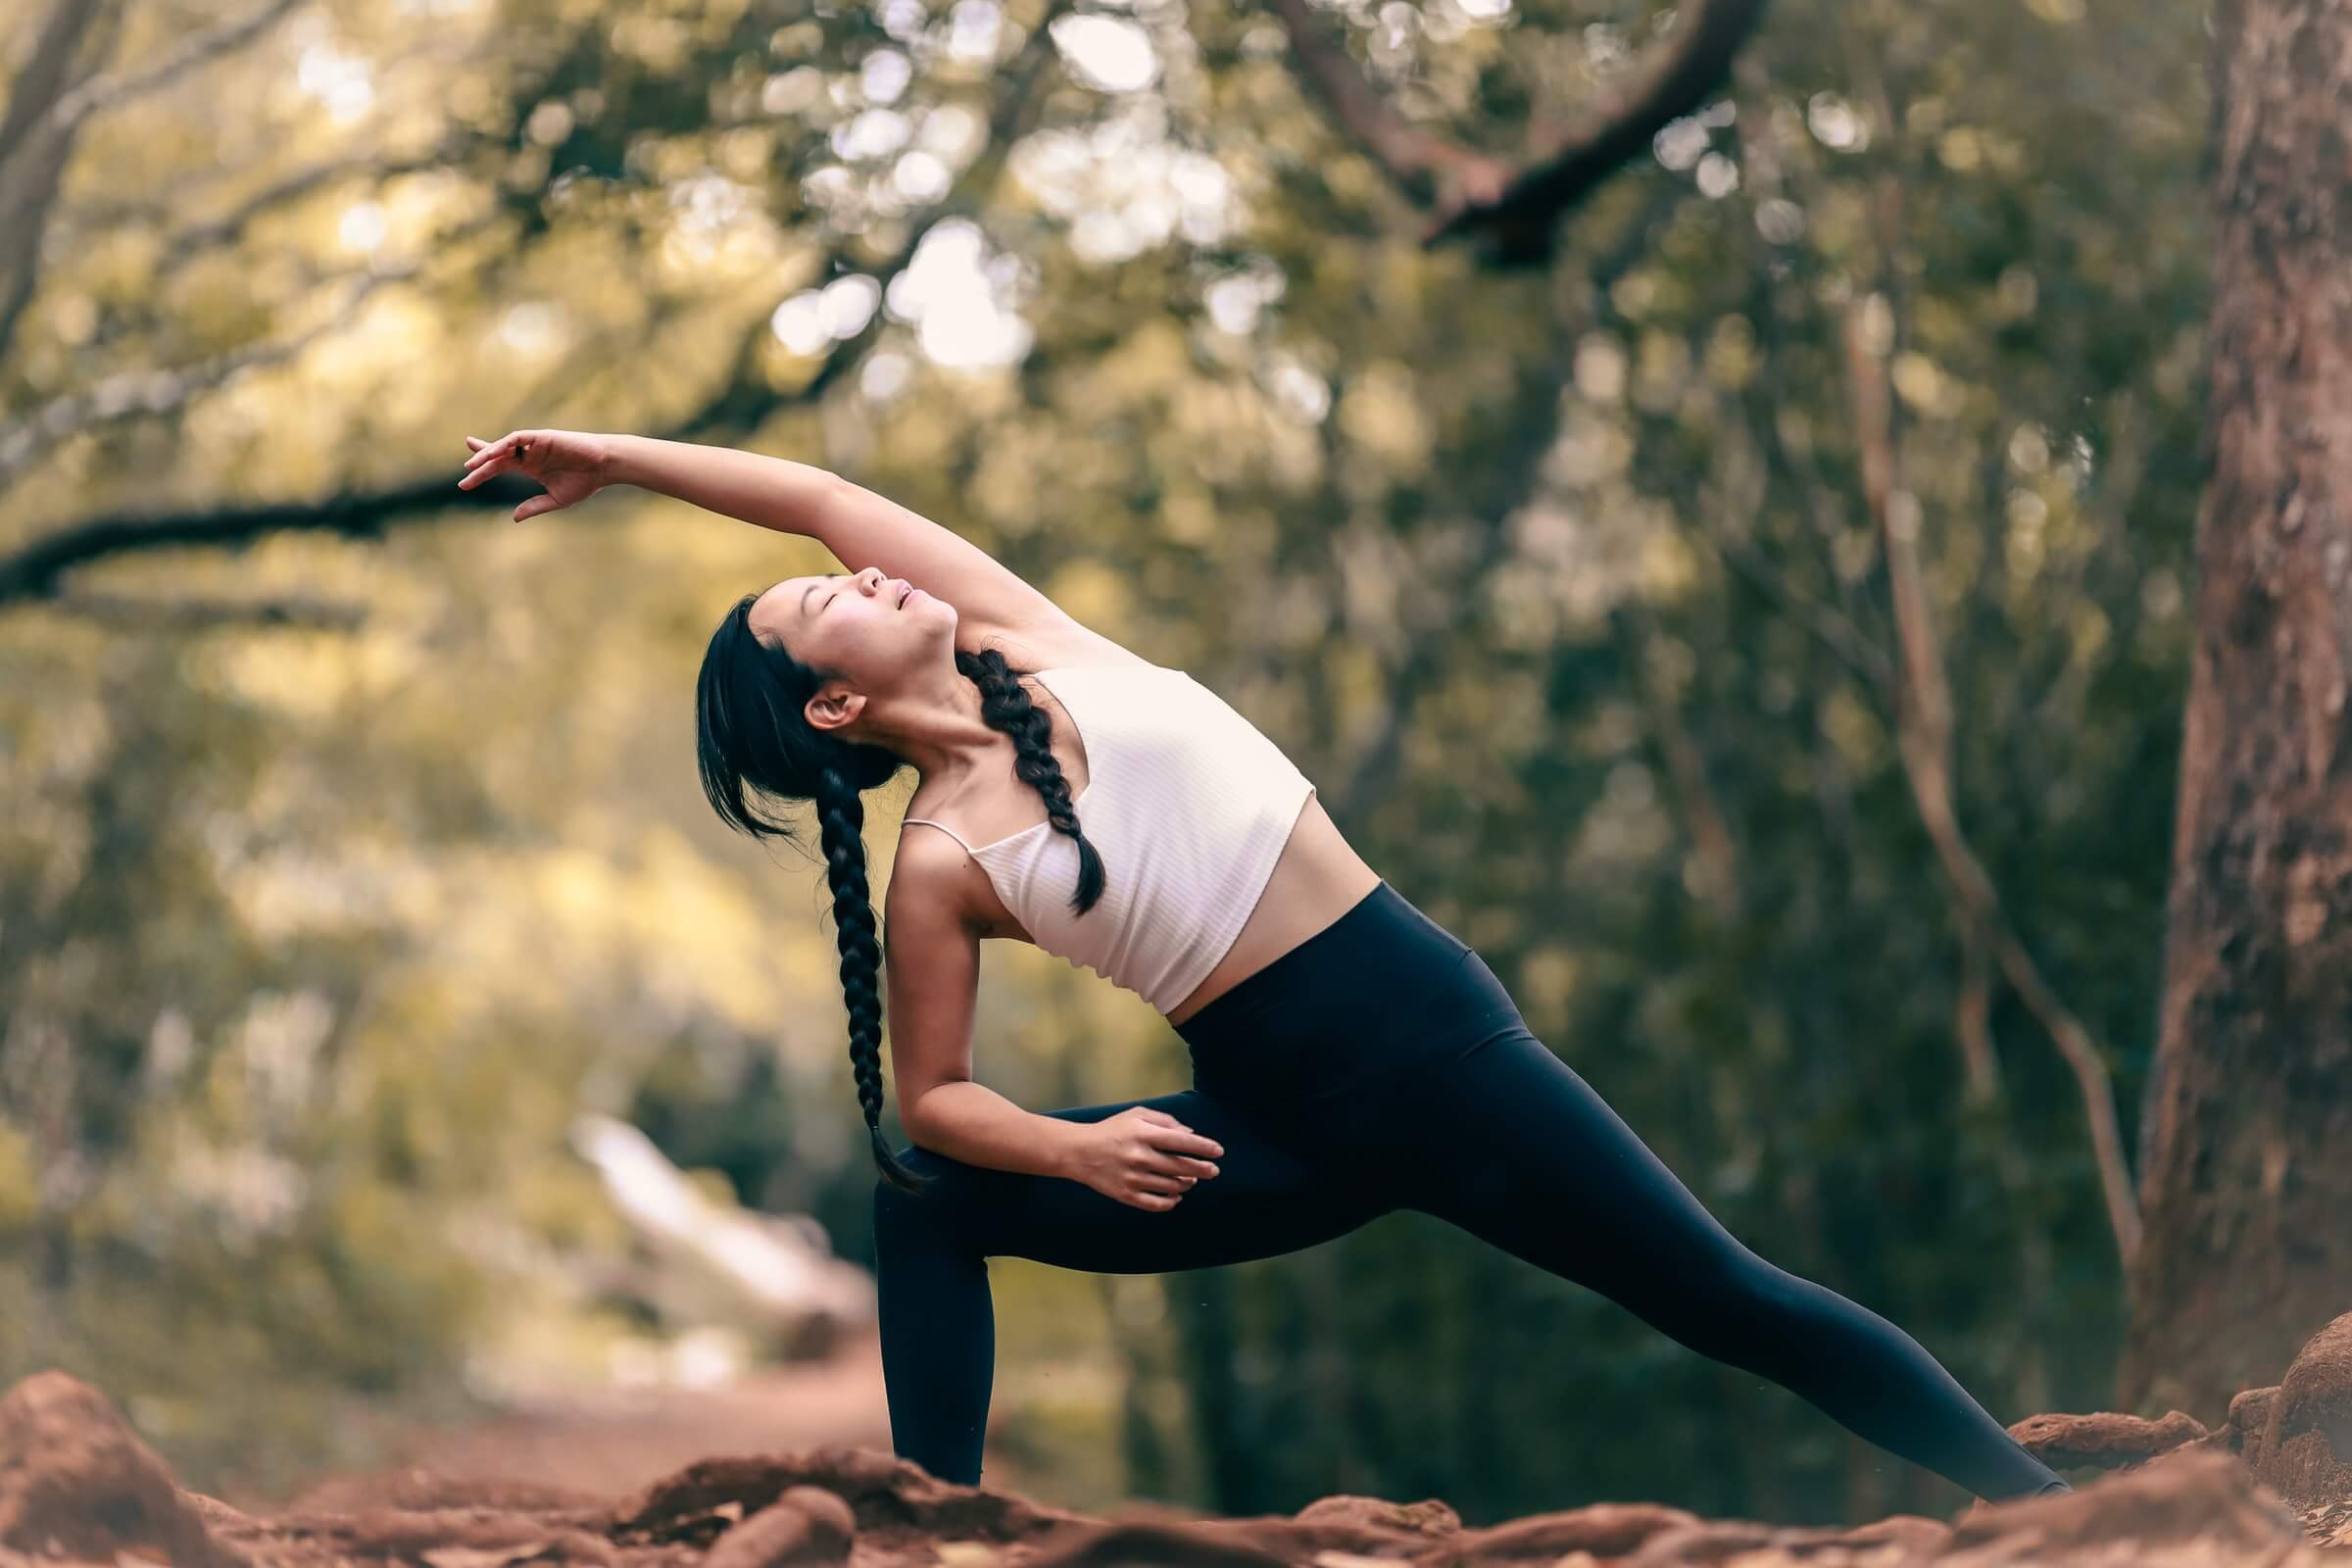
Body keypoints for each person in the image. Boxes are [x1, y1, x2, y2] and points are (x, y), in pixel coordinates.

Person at [456, 428, 2075, 1504]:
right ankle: (926, 1531)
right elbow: (935, 1102)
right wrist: (1078, 1144)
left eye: (850, 571)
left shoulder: (1027, 637)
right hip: (1274, 1133)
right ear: (829, 708)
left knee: (1733, 1300)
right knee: (917, 1204)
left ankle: (2070, 1522)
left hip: (1443, 1055)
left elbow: (808, 492)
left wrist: (610, 455)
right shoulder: (941, 862)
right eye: (830, 605)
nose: (865, 568)